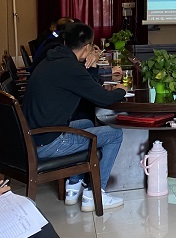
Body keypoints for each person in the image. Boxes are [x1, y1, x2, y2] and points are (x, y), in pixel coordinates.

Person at [22, 22, 127, 212]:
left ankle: (73, 185)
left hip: (33, 136)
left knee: (86, 122)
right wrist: (121, 90)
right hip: (48, 143)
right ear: (87, 47)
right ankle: (95, 194)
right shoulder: (70, 68)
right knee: (115, 134)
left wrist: (92, 66)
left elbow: (88, 85)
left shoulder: (54, 59)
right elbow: (103, 98)